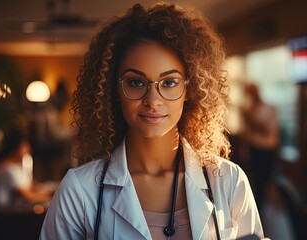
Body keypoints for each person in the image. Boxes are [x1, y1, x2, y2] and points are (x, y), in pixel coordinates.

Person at [40, 3, 264, 239]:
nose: (153, 100)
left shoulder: (229, 182)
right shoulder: (80, 190)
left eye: (169, 83)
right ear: (114, 89)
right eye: (136, 82)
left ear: (191, 89)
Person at [240, 83, 279, 212]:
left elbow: (268, 131)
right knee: (256, 181)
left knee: (267, 179)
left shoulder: (269, 109)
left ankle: (267, 208)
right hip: (254, 149)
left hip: (267, 149)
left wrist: (250, 118)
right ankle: (259, 207)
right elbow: (246, 134)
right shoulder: (250, 109)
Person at [0, 129, 52, 212]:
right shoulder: (6, 169)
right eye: (25, 147)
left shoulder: (17, 167)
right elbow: (26, 195)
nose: (28, 150)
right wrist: (51, 196)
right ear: (15, 148)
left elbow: (32, 187)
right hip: (6, 215)